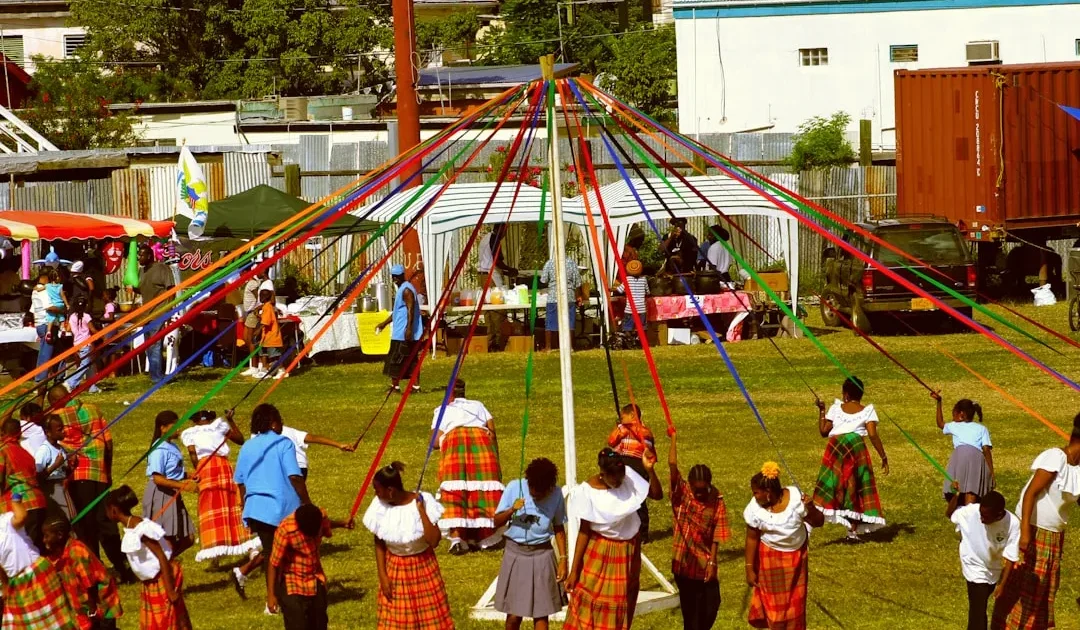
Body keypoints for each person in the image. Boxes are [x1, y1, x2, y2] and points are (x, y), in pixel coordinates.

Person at [990, 415, 1080, 630]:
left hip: (1053, 537)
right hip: (1033, 531)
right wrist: (1025, 533)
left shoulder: (1078, 469)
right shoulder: (1056, 458)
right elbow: (1030, 493)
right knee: (1023, 586)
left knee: (1043, 590)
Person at [564, 447, 662, 630]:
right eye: (614, 480)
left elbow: (657, 495)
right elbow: (584, 532)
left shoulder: (628, 477)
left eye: (621, 478)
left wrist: (650, 470)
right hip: (601, 552)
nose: (619, 483)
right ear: (603, 474)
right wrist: (574, 570)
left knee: (622, 602)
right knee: (593, 601)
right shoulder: (588, 492)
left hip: (628, 552)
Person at [50, 384, 135, 582]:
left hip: (78, 476)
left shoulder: (57, 417)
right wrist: (108, 470)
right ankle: (123, 568)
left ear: (55, 401)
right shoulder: (92, 409)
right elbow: (108, 442)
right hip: (100, 472)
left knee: (86, 526)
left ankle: (95, 570)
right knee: (106, 522)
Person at [234, 403, 311, 615]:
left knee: (270, 553)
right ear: (273, 423)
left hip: (255, 510)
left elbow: (240, 481)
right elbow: (295, 476)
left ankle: (274, 598)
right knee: (287, 553)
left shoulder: (247, 446)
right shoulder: (283, 443)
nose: (282, 423)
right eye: (280, 419)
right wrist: (307, 502)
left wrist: (245, 506)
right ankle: (278, 598)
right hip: (281, 509)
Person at [362, 461, 453, 630]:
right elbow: (379, 541)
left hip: (423, 567)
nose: (376, 494)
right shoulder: (379, 505)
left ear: (390, 490)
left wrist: (421, 510)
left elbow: (434, 541)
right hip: (395, 568)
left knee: (430, 619)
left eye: (378, 490)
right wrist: (382, 575)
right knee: (399, 619)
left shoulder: (423, 501)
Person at [744, 462, 825, 630]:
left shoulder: (796, 500)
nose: (754, 496)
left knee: (795, 606)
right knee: (775, 610)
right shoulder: (755, 509)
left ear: (768, 492)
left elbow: (819, 522)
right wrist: (749, 568)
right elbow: (751, 538)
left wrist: (811, 508)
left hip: (797, 561)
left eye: (756, 492)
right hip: (770, 561)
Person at [492, 457, 568, 630]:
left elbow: (558, 527)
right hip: (516, 554)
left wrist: (563, 559)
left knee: (541, 614)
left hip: (542, 554)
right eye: (533, 490)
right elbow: (496, 521)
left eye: (541, 493)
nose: (536, 495)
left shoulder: (556, 494)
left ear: (550, 487)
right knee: (513, 615)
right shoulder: (514, 487)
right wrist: (512, 510)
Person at [105, 485, 192, 630]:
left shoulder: (140, 529)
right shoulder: (131, 528)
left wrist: (170, 591)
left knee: (168, 622)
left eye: (106, 510)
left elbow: (161, 556)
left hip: (162, 579)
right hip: (150, 583)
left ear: (114, 510)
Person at [179, 409, 260, 564]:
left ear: (195, 421)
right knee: (235, 503)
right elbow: (240, 439)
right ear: (210, 418)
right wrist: (230, 420)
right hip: (224, 468)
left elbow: (193, 454)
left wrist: (198, 471)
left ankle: (215, 550)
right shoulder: (218, 426)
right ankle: (249, 547)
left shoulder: (191, 433)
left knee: (211, 508)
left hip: (206, 469)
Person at [433, 379, 504, 555]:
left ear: (450, 394)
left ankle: (457, 539)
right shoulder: (479, 405)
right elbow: (492, 432)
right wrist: (496, 459)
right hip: (481, 447)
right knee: (480, 492)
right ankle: (484, 537)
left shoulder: (442, 410)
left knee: (455, 492)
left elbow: (435, 442)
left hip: (455, 449)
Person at [812, 377, 888, 538]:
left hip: (835, 449)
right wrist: (883, 456)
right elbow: (872, 434)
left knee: (834, 485)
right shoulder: (868, 411)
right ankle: (852, 530)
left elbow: (824, 431)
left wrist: (822, 410)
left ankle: (813, 520)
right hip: (855, 449)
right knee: (855, 486)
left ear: (845, 394)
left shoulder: (836, 408)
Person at [669, 431, 730, 630]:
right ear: (690, 485)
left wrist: (713, 561)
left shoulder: (716, 499)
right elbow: (672, 466)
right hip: (685, 564)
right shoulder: (682, 494)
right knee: (692, 616)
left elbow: (717, 532)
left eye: (704, 489)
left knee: (712, 605)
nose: (700, 493)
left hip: (705, 563)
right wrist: (674, 438)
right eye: (697, 489)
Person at [266, 503, 351, 630]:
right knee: (298, 624)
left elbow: (327, 524)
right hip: (292, 581)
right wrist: (271, 595)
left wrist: (342, 523)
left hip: (314, 577)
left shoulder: (319, 518)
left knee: (320, 623)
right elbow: (273, 563)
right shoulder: (285, 530)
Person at [0, 495, 78, 629]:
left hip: (37, 572)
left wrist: (16, 500)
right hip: (17, 582)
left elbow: (21, 517)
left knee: (56, 621)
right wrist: (5, 585)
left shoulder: (5, 521)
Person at [946, 488, 1019, 630]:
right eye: (981, 514)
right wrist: (956, 496)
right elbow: (949, 514)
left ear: (998, 515)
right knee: (978, 610)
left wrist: (1002, 584)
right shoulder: (972, 511)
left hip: (993, 571)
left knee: (978, 609)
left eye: (985, 516)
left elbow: (1011, 556)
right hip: (973, 566)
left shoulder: (1012, 524)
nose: (981, 519)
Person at [42, 515, 124, 630]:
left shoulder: (77, 551)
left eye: (47, 536)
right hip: (85, 606)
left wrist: (92, 612)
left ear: (60, 535)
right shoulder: (62, 553)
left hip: (100, 604)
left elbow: (90, 584)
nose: (44, 540)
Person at [143, 411, 196, 559]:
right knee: (167, 539)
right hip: (161, 495)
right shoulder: (158, 450)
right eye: (175, 425)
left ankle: (165, 563)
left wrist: (189, 475)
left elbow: (172, 472)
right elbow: (158, 479)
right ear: (163, 428)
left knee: (188, 538)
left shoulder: (172, 446)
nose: (178, 429)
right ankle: (163, 566)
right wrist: (184, 486)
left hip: (172, 493)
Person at [607, 404, 656, 542]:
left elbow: (647, 443)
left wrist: (629, 428)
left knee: (639, 499)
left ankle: (643, 533)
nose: (621, 420)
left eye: (623, 418)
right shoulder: (623, 429)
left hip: (639, 464)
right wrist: (620, 429)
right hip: (624, 463)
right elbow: (611, 441)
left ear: (632, 416)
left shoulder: (645, 431)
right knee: (622, 495)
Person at [935, 394, 994, 504]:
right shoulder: (982, 428)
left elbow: (940, 423)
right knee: (972, 490)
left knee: (956, 490)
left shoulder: (954, 425)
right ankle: (969, 509)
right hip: (977, 459)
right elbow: (986, 450)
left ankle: (958, 509)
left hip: (960, 456)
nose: (952, 417)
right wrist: (991, 473)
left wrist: (939, 402)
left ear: (961, 414)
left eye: (953, 413)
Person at [1, 416, 48, 550]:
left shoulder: (3, 451)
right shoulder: (26, 453)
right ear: (20, 433)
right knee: (36, 546)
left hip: (20, 505)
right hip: (38, 501)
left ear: (2, 433)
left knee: (24, 548)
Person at [377, 264, 423, 393]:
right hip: (400, 331)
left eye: (397, 277)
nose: (395, 279)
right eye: (393, 277)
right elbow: (398, 312)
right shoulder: (402, 289)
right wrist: (384, 323)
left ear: (402, 276)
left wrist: (408, 329)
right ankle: (401, 386)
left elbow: (410, 310)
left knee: (398, 359)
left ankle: (400, 387)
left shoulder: (407, 290)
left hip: (403, 333)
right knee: (405, 359)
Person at [137, 243, 176, 384]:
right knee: (149, 345)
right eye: (138, 255)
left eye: (141, 255)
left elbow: (171, 290)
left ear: (149, 256)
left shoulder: (162, 268)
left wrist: (169, 310)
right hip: (146, 314)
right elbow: (142, 289)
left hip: (159, 312)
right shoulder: (141, 271)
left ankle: (157, 377)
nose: (139, 258)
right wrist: (132, 288)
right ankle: (155, 374)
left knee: (154, 345)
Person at [477, 223, 517, 350]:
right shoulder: (494, 239)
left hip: (483, 275)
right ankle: (499, 343)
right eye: (505, 231)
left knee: (488, 310)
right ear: (499, 229)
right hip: (490, 277)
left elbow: (489, 260)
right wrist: (510, 269)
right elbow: (496, 261)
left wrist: (506, 271)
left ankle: (491, 342)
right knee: (498, 310)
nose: (505, 234)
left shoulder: (486, 238)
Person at [279, 423, 355, 480]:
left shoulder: (274, 433)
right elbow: (313, 438)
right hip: (301, 468)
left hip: (287, 469)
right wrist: (339, 445)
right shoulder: (288, 430)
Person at [540, 253, 583, 352]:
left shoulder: (550, 263)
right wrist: (579, 296)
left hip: (553, 297)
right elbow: (578, 282)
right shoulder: (572, 263)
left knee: (550, 322)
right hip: (569, 296)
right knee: (570, 323)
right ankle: (570, 346)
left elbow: (544, 280)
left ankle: (548, 347)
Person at [35, 415, 73, 519]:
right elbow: (37, 477)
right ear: (48, 432)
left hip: (63, 487)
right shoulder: (44, 450)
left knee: (70, 517)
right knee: (67, 518)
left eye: (63, 428)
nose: (64, 431)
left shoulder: (60, 448)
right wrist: (55, 465)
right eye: (59, 430)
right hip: (53, 489)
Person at [31, 267, 62, 381]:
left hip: (42, 324)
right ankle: (41, 378)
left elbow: (33, 310)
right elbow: (49, 307)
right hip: (46, 325)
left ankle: (60, 377)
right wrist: (63, 309)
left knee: (60, 353)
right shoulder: (43, 292)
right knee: (46, 353)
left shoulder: (36, 290)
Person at [65, 296, 101, 394]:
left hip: (77, 344)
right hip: (86, 344)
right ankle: (70, 383)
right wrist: (102, 335)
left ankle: (92, 386)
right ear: (85, 306)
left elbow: (68, 329)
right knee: (85, 365)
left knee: (89, 364)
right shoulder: (86, 316)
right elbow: (92, 329)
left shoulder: (72, 317)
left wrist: (76, 329)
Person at [254, 288, 286, 380]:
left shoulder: (267, 307)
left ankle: (282, 370)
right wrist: (258, 315)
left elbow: (266, 322)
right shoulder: (266, 306)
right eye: (260, 296)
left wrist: (258, 330)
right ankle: (267, 370)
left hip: (272, 336)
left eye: (262, 296)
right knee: (265, 353)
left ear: (266, 297)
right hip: (266, 336)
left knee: (275, 356)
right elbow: (266, 318)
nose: (260, 298)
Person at [614, 260, 650, 334]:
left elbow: (620, 290)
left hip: (630, 309)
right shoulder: (644, 279)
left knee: (627, 327)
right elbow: (648, 292)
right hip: (641, 309)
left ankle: (629, 339)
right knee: (642, 327)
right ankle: (640, 339)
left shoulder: (627, 279)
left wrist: (610, 289)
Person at [241, 272, 265, 377]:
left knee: (250, 340)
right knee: (246, 339)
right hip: (249, 313)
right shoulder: (250, 283)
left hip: (252, 313)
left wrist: (257, 309)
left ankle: (255, 366)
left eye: (242, 273)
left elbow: (258, 298)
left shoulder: (252, 283)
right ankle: (256, 363)